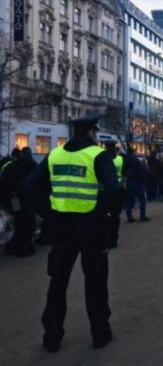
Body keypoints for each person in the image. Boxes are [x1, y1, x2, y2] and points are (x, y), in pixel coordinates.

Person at [22, 115, 121, 352]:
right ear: (92, 133)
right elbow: (114, 191)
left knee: (57, 282)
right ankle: (100, 333)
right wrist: (107, 213)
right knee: (95, 282)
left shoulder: (55, 155)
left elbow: (29, 186)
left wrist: (47, 212)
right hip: (92, 227)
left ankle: (52, 337)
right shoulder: (98, 156)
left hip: (61, 227)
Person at [2, 147, 37, 256]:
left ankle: (14, 244)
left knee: (19, 221)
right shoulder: (31, 164)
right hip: (24, 198)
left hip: (11, 197)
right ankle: (23, 247)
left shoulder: (9, 165)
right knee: (27, 222)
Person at [104, 141, 123, 248]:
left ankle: (106, 239)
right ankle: (113, 240)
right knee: (115, 217)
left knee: (104, 217)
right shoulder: (120, 159)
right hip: (118, 189)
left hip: (104, 191)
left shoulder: (102, 158)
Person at [124, 148, 150, 222]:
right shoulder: (136, 161)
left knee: (128, 200)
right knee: (142, 199)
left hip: (128, 182)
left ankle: (129, 217)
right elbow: (142, 172)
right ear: (133, 153)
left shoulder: (125, 160)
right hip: (136, 182)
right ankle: (142, 216)